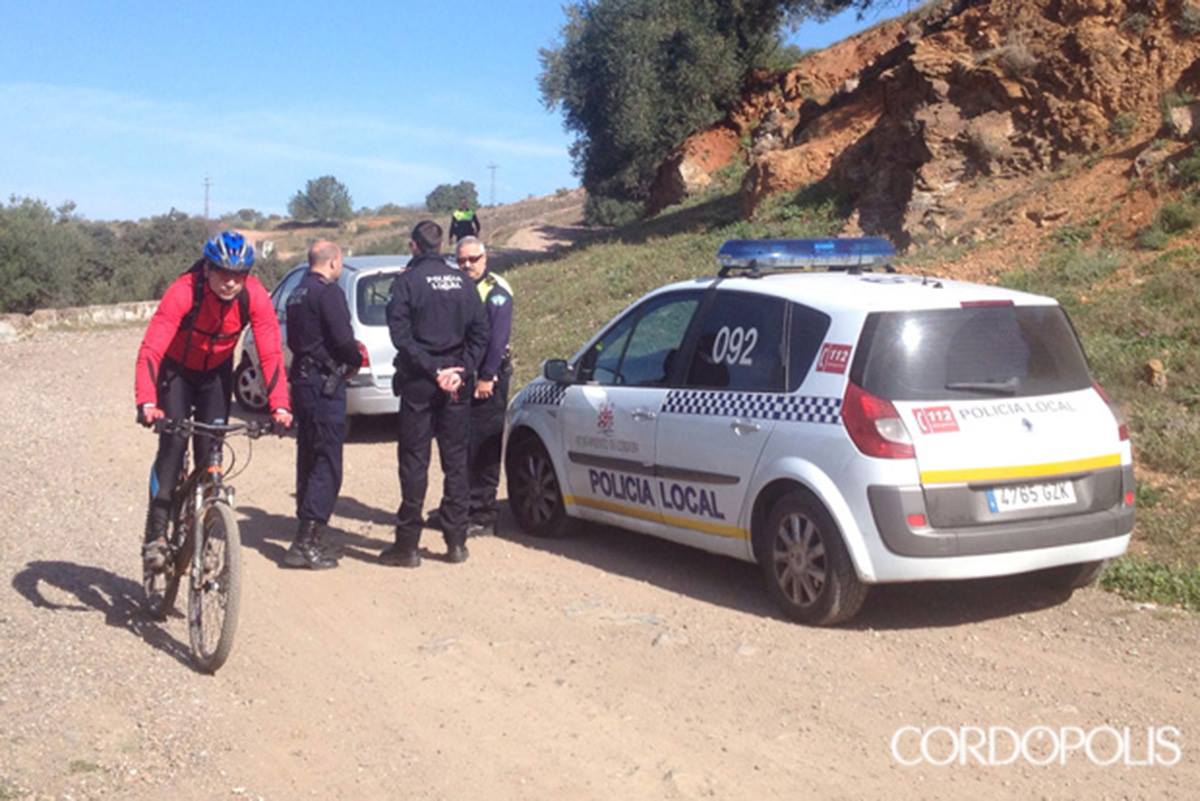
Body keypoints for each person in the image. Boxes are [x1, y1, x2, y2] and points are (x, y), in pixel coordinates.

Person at [135, 231, 292, 570]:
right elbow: (152, 347)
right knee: (174, 445)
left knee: (212, 456)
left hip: (215, 376)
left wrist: (279, 405)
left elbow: (270, 352)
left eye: (239, 275)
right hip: (176, 372)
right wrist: (148, 402)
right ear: (207, 269)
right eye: (222, 272)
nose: (230, 283)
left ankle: (204, 535)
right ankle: (156, 534)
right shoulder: (184, 291)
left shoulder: (254, 296)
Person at [382, 220, 488, 567]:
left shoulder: (407, 282)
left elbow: (400, 335)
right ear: (441, 244)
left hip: (420, 383)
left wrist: (434, 369)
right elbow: (480, 333)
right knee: (455, 463)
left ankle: (408, 547)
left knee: (414, 463)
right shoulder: (462, 281)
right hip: (455, 384)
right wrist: (462, 370)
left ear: (414, 245)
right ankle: (456, 543)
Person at [283, 240, 363, 570]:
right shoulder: (328, 293)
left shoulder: (297, 292)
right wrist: (355, 358)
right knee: (327, 461)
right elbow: (343, 339)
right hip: (323, 384)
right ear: (334, 261)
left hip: (303, 382)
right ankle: (305, 541)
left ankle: (309, 533)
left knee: (309, 454)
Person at [427, 237, 512, 536]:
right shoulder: (459, 288)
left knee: (484, 447)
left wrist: (487, 376)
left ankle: (483, 513)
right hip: (463, 375)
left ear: (485, 258)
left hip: (488, 377)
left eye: (473, 259)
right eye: (461, 260)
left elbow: (497, 339)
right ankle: (457, 508)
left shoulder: (496, 292)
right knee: (457, 445)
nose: (467, 265)